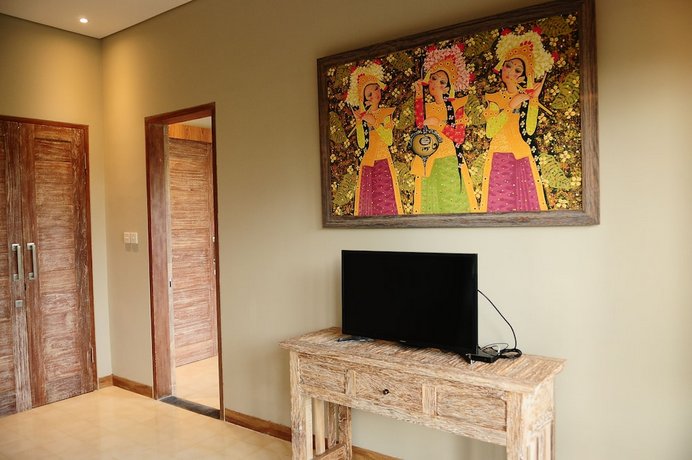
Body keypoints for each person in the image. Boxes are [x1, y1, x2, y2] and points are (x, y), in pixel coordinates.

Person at [480, 30, 555, 212]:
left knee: (526, 205)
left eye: (517, 70)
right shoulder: (494, 98)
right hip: (499, 157)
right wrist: (510, 106)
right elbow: (490, 131)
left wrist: (533, 99)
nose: (510, 72)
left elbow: (529, 130)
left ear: (523, 76)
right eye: (508, 66)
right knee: (500, 205)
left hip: (521, 155)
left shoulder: (526, 99)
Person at [411, 44, 478, 214]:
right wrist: (418, 95)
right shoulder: (426, 106)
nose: (435, 83)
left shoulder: (456, 106)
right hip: (429, 161)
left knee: (452, 204)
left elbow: (459, 137)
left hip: (449, 160)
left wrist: (438, 123)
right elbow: (420, 127)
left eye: (442, 82)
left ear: (448, 87)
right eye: (433, 78)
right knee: (430, 206)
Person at [346, 62, 403, 216]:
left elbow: (389, 140)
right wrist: (359, 122)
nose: (375, 95)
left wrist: (375, 123)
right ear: (365, 100)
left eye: (376, 89)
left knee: (385, 200)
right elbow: (361, 143)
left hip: (383, 160)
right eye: (369, 95)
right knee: (368, 203)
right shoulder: (365, 116)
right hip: (368, 161)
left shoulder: (385, 113)